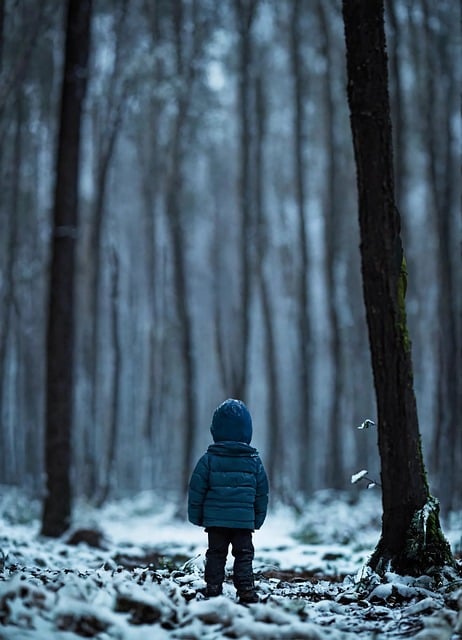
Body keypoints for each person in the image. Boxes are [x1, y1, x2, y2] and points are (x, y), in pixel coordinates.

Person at [188, 398, 269, 604]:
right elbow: (262, 494)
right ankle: (246, 590)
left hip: (216, 522)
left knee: (216, 554)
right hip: (243, 523)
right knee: (244, 555)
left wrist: (197, 516)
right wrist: (256, 519)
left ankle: (213, 587)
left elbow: (197, 489)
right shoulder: (254, 462)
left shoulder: (208, 459)